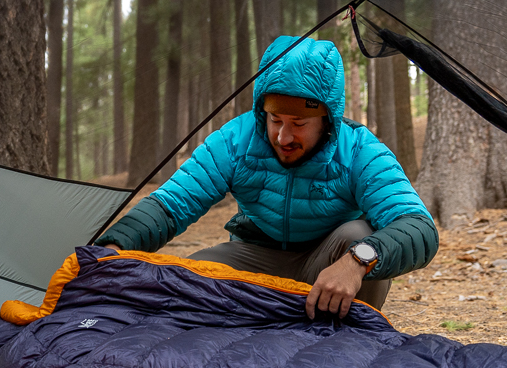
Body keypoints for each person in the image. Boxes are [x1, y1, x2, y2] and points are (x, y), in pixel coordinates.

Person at [97, 35, 438, 318]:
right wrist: (115, 246)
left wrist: (357, 261)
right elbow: (173, 204)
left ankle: (344, 337)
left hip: (328, 260)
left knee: (359, 235)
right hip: (257, 255)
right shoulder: (237, 140)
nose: (283, 137)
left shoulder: (358, 150)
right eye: (275, 119)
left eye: (299, 124)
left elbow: (419, 227)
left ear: (328, 120)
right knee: (188, 277)